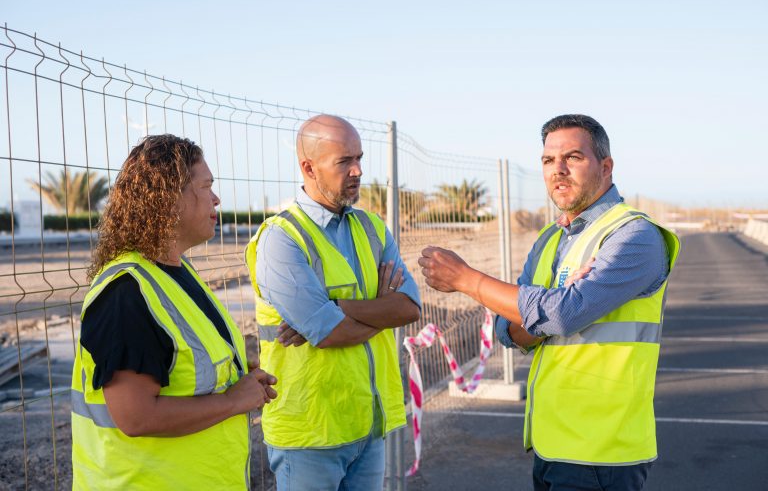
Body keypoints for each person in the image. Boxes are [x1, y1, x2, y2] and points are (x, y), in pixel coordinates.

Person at [418, 114, 680, 491]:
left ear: (605, 166)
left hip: (603, 452)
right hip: (551, 444)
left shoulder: (634, 236)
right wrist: (549, 310)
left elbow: (559, 314)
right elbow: (508, 331)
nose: (558, 170)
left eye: (572, 157)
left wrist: (466, 279)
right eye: (547, 161)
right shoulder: (549, 240)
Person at [71, 134, 277, 490]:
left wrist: (239, 378)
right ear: (168, 199)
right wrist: (231, 400)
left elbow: (184, 367)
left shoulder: (177, 273)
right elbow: (135, 416)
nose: (216, 198)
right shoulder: (127, 292)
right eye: (206, 186)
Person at [245, 114, 421, 490]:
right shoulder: (282, 238)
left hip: (367, 425)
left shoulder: (372, 228)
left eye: (359, 158)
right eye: (344, 161)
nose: (358, 170)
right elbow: (329, 334)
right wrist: (377, 308)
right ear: (308, 167)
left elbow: (409, 308)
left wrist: (337, 307)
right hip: (310, 434)